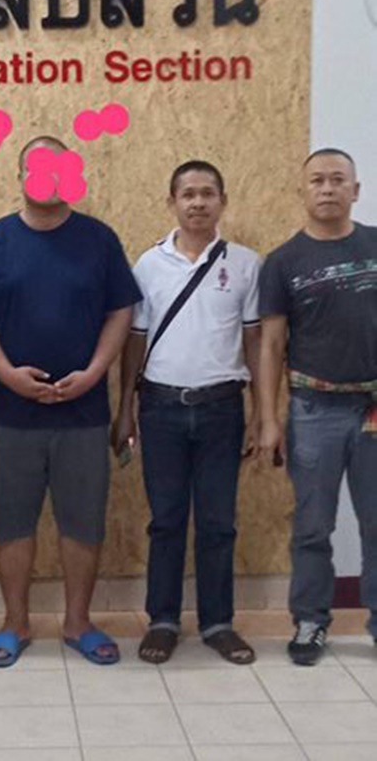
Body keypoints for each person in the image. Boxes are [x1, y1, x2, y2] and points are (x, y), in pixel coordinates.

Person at [0, 135, 141, 667]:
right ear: (19, 176)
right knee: (11, 522)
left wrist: (95, 372)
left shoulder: (99, 239)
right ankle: (15, 622)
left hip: (83, 412)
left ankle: (78, 622)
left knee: (82, 521)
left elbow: (121, 312)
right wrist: (6, 374)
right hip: (10, 413)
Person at [113, 160, 260, 665]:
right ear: (171, 202)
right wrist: (126, 408)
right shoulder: (148, 265)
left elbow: (256, 341)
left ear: (223, 201)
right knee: (167, 520)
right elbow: (134, 342)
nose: (198, 202)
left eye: (207, 193)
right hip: (160, 409)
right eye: (188, 194)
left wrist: (263, 413)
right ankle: (163, 621)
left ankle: (218, 623)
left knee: (218, 522)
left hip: (222, 409)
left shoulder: (245, 265)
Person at [258, 148, 377, 665]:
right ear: (302, 191)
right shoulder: (283, 262)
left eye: (337, 180)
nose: (327, 189)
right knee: (312, 526)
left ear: (356, 190)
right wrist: (268, 419)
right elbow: (270, 345)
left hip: (374, 409)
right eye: (317, 181)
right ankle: (310, 621)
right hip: (313, 410)